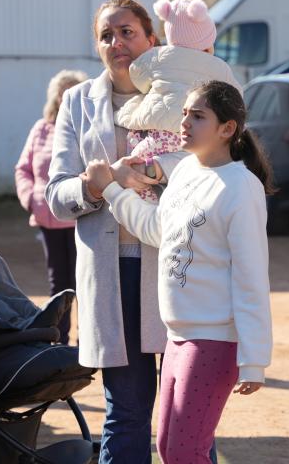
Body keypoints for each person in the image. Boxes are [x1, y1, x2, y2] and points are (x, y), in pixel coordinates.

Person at [84, 80, 273, 464]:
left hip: (213, 340)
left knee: (186, 453)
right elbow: (157, 230)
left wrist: (254, 359)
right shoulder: (185, 171)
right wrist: (112, 192)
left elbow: (251, 278)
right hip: (177, 337)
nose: (184, 122)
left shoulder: (242, 187)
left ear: (227, 128)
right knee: (171, 450)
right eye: (184, 113)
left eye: (198, 116)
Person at [45, 0, 180, 464]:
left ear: (151, 39)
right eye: (106, 35)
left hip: (178, 269)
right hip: (111, 274)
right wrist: (97, 182)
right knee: (126, 409)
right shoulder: (77, 103)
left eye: (127, 32)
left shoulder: (181, 95)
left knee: (186, 412)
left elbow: (212, 171)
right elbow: (56, 196)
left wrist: (159, 172)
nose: (117, 43)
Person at [115, 0, 240, 202]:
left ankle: (145, 207)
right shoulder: (218, 66)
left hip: (158, 135)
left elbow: (135, 72)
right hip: (194, 135)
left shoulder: (157, 56)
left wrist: (149, 87)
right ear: (208, 44)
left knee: (138, 171)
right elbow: (236, 97)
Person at [15, 69, 87, 345]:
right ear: (55, 95)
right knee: (59, 284)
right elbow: (23, 168)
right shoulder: (41, 128)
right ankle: (60, 340)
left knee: (84, 282)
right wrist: (31, 199)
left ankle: (86, 343)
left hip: (81, 217)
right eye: (62, 89)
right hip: (47, 218)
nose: (65, 95)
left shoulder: (86, 127)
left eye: (72, 89)